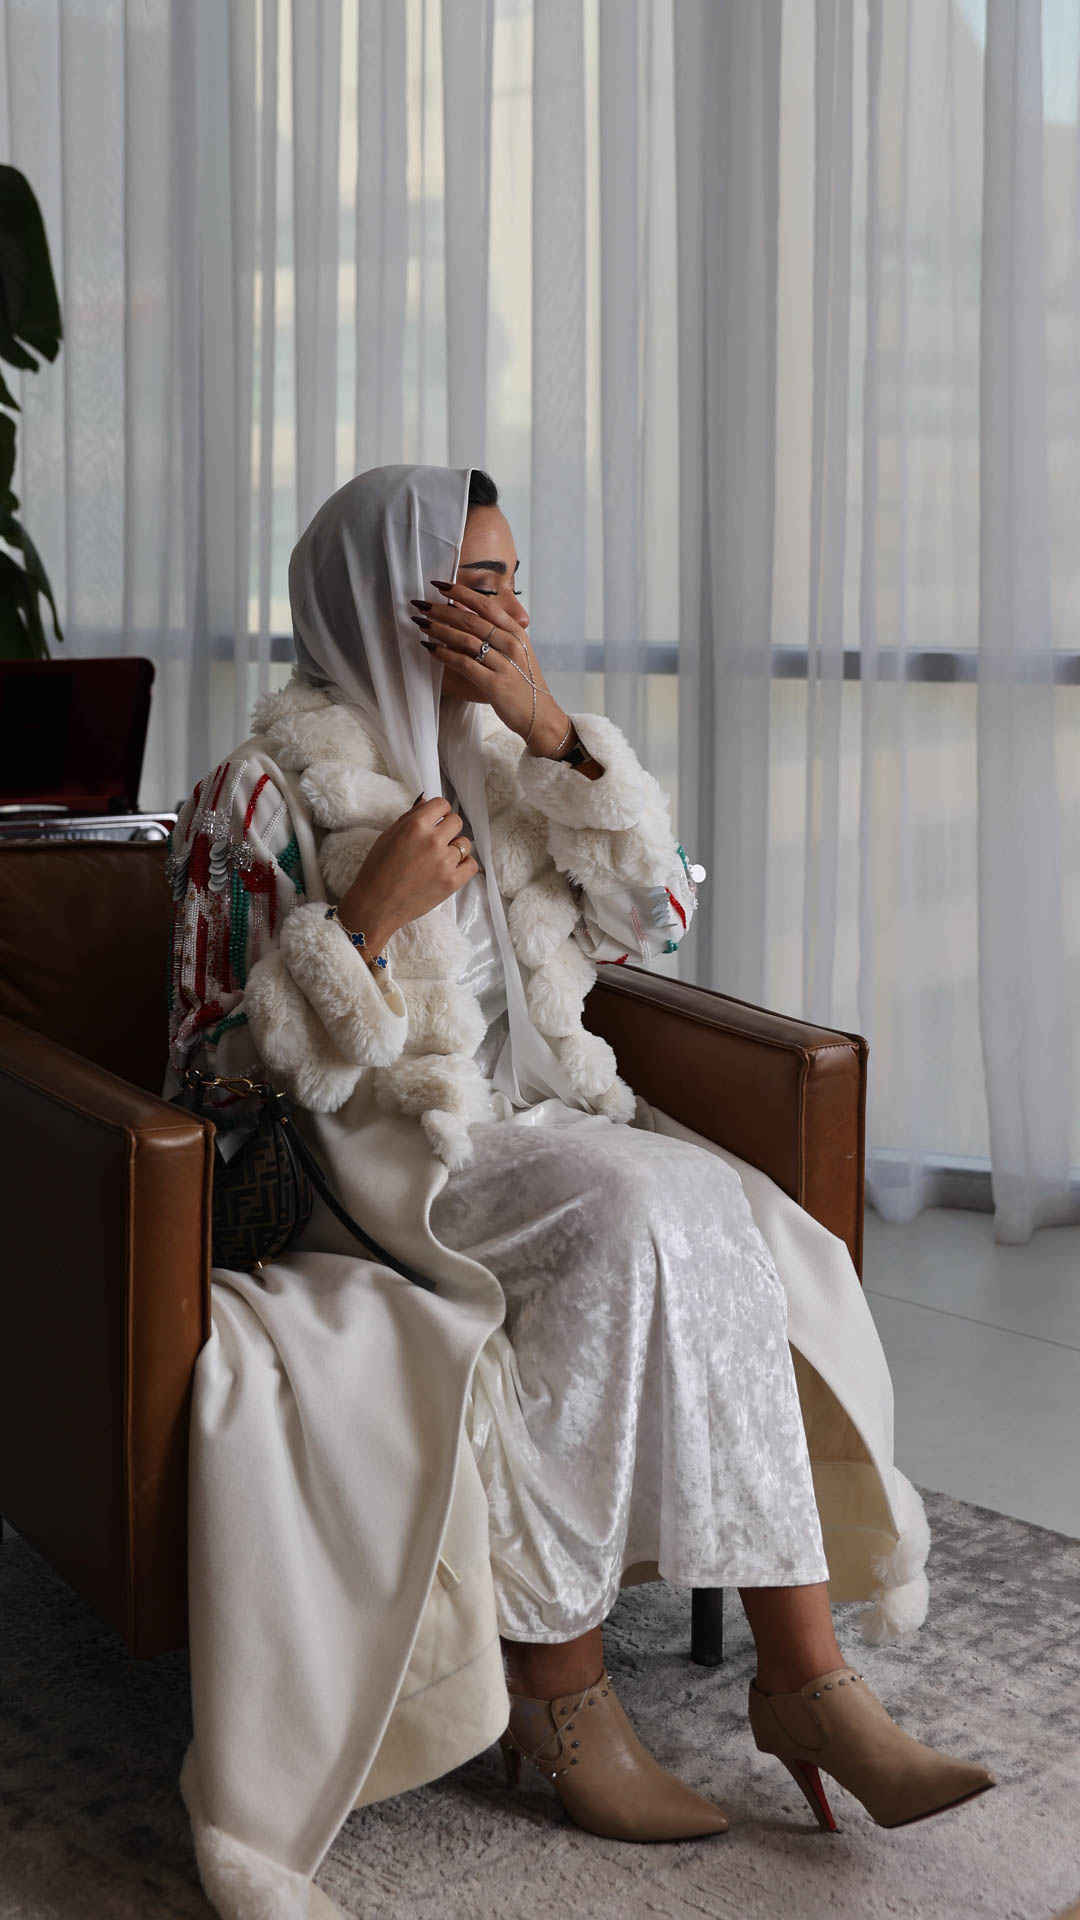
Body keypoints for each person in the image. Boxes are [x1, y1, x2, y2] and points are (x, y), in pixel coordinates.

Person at [164, 464, 994, 1920]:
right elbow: (204, 1079)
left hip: (547, 1125)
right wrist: (361, 925)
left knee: (710, 1204)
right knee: (635, 1211)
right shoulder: (259, 791)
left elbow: (660, 919)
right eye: (475, 584)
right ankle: (562, 1693)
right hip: (386, 1160)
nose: (511, 615)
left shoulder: (511, 757)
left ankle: (809, 1681)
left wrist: (559, 736)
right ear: (387, 598)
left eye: (514, 582)